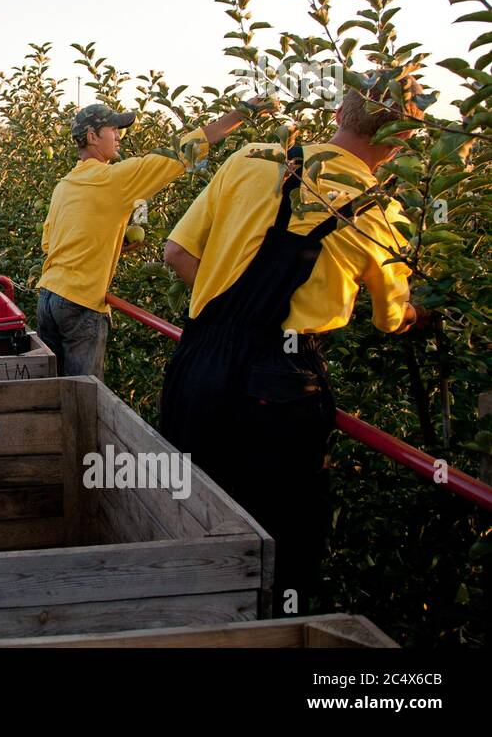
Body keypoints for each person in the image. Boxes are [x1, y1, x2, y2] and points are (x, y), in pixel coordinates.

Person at [158, 78, 426, 613]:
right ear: (401, 140)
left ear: (337, 113)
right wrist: (426, 313)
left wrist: (227, 307)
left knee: (187, 508)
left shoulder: (251, 161)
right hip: (280, 384)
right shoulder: (379, 215)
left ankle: (183, 620)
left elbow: (175, 254)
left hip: (197, 362)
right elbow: (391, 319)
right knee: (283, 537)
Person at [37, 101, 261, 380]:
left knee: (53, 390)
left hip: (48, 298)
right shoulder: (114, 179)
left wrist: (113, 243)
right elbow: (179, 153)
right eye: (113, 129)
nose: (119, 136)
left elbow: (52, 245)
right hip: (80, 302)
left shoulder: (64, 186)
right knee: (84, 395)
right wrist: (240, 114)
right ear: (92, 137)